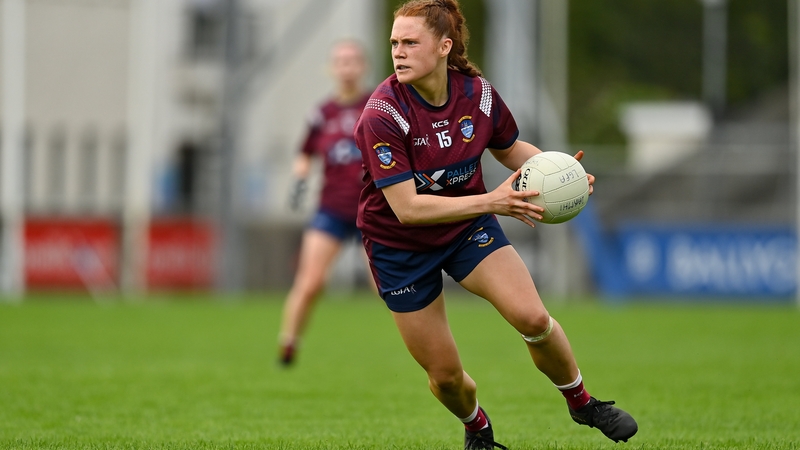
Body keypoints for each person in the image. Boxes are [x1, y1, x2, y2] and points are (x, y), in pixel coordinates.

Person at [353, 1, 638, 449]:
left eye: (411, 42)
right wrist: (493, 200)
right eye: (394, 43)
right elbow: (408, 208)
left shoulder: (478, 94)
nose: (399, 52)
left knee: (532, 316)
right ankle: (478, 430)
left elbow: (508, 148)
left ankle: (583, 403)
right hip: (400, 247)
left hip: (466, 229)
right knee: (447, 379)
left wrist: (560, 171)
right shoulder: (382, 115)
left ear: (444, 47)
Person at [278, 39, 373, 367]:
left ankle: (421, 346)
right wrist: (300, 179)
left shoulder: (376, 106)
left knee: (387, 286)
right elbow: (305, 153)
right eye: (341, 61)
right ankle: (288, 345)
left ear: (363, 67)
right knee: (310, 282)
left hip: (372, 210)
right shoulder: (321, 113)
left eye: (353, 61)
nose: (347, 68)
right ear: (333, 68)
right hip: (331, 208)